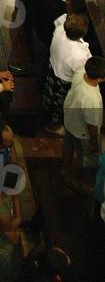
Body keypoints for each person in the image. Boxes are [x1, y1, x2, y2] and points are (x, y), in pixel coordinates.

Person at [42, 12, 91, 133]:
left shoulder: (60, 30)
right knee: (58, 106)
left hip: (53, 69)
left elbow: (61, 19)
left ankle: (49, 116)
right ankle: (54, 127)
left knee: (50, 96)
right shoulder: (80, 55)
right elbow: (85, 73)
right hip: (63, 81)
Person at [62, 55, 105, 192]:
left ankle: (65, 169)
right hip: (82, 133)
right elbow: (91, 126)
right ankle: (70, 177)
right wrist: (94, 143)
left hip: (70, 120)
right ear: (101, 78)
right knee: (84, 158)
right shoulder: (91, 99)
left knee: (68, 146)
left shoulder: (80, 72)